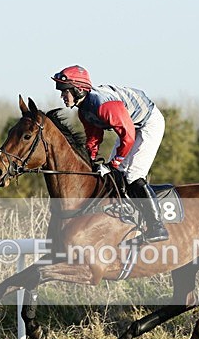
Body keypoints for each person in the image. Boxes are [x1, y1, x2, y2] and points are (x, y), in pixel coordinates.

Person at [51, 65, 169, 243]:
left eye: (64, 91)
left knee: (133, 174)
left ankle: (156, 226)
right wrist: (90, 160)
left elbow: (128, 137)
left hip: (148, 123)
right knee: (116, 174)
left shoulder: (103, 105)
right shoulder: (84, 110)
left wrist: (113, 163)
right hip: (131, 126)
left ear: (78, 89)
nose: (62, 96)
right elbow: (93, 138)